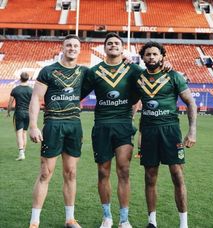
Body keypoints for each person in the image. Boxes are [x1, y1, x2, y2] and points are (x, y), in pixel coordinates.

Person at [81, 32, 143, 228]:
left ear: (122, 48)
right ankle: (107, 217)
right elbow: (78, 94)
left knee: (124, 171)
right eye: (109, 43)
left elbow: (151, 77)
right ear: (104, 47)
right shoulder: (94, 71)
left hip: (124, 125)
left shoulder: (132, 69)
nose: (113, 45)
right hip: (101, 126)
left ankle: (124, 220)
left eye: (117, 43)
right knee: (102, 172)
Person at [28, 34, 89, 228]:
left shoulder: (85, 72)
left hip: (74, 124)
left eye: (75, 46)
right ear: (62, 48)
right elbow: (36, 98)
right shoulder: (48, 71)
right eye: (68, 45)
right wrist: (33, 125)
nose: (72, 48)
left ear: (80, 49)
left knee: (71, 172)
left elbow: (110, 75)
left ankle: (70, 218)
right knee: (46, 173)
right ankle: (34, 221)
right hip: (53, 124)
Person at [136, 41, 197, 228]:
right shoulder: (138, 77)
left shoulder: (173, 76)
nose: (152, 57)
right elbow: (122, 62)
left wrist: (192, 131)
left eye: (155, 54)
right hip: (148, 132)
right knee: (150, 176)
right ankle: (152, 222)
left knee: (177, 175)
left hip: (170, 131)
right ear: (143, 57)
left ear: (162, 56)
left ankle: (183, 224)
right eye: (148, 54)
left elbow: (191, 103)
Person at [7, 72, 33, 160]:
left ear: (20, 78)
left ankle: (21, 153)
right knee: (24, 132)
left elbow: (10, 103)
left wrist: (8, 112)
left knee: (19, 132)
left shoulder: (15, 89)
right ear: (28, 79)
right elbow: (33, 103)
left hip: (19, 112)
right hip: (28, 113)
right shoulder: (31, 90)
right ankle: (23, 152)